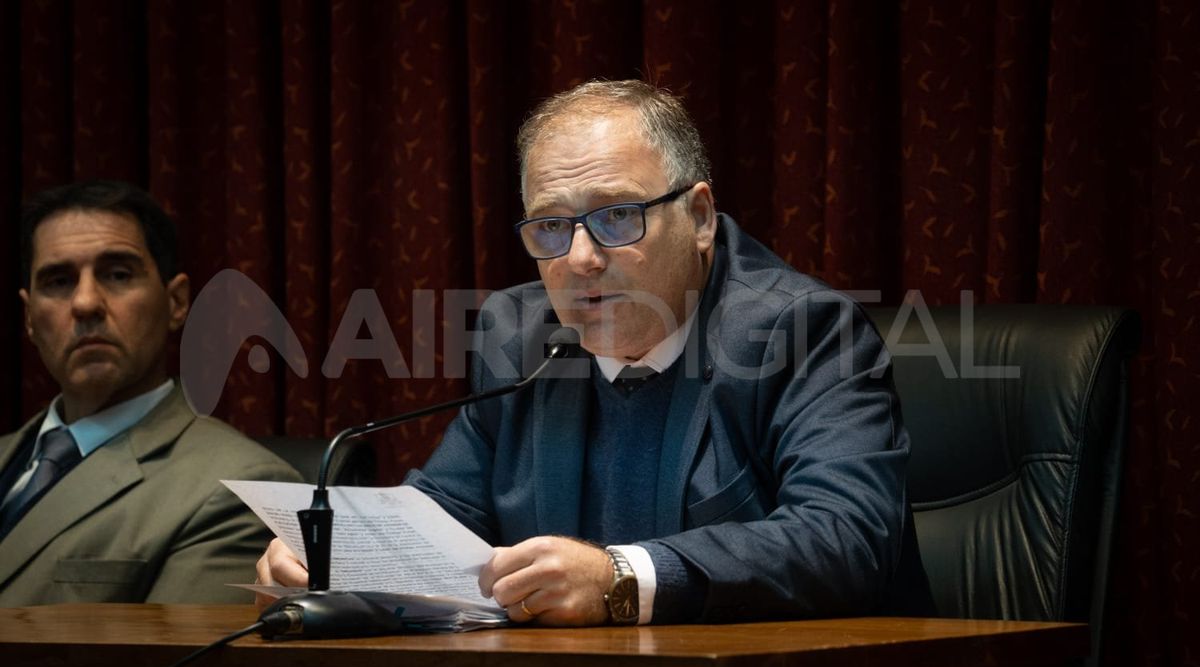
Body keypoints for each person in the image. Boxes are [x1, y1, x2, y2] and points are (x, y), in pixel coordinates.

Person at [258, 80, 930, 624]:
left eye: (616, 216)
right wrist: (341, 559)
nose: (580, 258)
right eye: (552, 226)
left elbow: (847, 537)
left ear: (699, 217)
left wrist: (620, 577)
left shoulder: (801, 331)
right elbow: (444, 515)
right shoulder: (516, 335)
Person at [0, 180, 301, 606]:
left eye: (118, 275)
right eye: (59, 281)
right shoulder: (8, 455)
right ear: (30, 317)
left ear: (176, 302)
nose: (85, 303)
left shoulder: (241, 489)